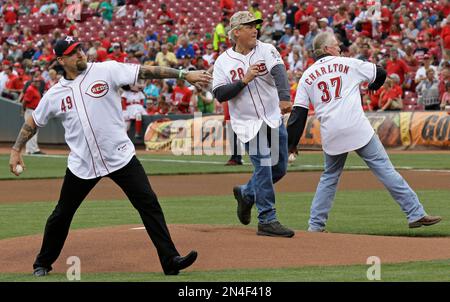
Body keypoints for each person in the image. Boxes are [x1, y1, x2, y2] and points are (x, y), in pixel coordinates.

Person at [9, 36, 212, 277]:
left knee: (149, 204)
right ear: (61, 60)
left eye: (80, 49)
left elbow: (145, 71)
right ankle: (42, 262)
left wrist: (182, 75)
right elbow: (33, 121)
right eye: (73, 52)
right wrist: (15, 149)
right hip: (82, 164)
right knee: (62, 215)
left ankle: (170, 260)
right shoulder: (54, 94)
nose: (81, 54)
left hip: (120, 157)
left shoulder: (107, 70)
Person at [286, 32, 442, 232]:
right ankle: (415, 213)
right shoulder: (349, 63)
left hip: (331, 131)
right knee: (385, 169)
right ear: (326, 49)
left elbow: (299, 113)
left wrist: (292, 144)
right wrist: (373, 86)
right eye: (336, 44)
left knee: (329, 177)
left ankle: (315, 226)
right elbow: (381, 72)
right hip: (356, 127)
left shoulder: (307, 75)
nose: (339, 47)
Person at [212, 11, 294, 237]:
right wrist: (244, 80)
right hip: (247, 124)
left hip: (272, 117)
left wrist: (284, 97)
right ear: (236, 32)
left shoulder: (266, 49)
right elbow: (220, 94)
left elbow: (279, 71)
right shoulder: (223, 61)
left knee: (279, 168)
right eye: (249, 26)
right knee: (264, 167)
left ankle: (247, 193)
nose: (255, 29)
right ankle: (267, 219)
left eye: (255, 25)